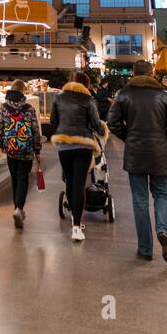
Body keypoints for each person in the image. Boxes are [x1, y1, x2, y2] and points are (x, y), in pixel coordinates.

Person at [108, 59, 167, 264]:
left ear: (133, 74)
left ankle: (145, 249)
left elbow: (113, 123)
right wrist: (165, 139)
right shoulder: (165, 96)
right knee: (162, 195)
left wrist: (129, 138)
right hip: (160, 154)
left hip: (135, 155)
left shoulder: (123, 94)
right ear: (152, 73)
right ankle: (164, 231)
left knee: (140, 201)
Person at [48, 70, 106, 242]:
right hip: (83, 145)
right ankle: (76, 227)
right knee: (79, 184)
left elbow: (53, 121)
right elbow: (96, 124)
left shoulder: (59, 97)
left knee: (70, 180)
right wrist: (103, 130)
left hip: (64, 145)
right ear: (86, 85)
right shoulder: (88, 99)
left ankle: (74, 218)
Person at [0, 79, 41, 228]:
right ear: (23, 92)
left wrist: (0, 145)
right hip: (26, 151)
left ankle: (16, 208)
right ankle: (19, 208)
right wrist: (37, 150)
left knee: (14, 179)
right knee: (23, 179)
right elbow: (35, 131)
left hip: (11, 151)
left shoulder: (3, 108)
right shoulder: (29, 109)